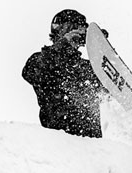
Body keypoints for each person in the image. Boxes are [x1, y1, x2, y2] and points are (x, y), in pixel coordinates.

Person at [22, 8, 103, 138]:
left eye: (80, 29)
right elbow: (30, 72)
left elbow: (113, 89)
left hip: (91, 148)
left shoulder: (87, 68)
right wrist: (64, 45)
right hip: (59, 143)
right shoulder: (41, 60)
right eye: (72, 28)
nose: (75, 32)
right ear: (59, 30)